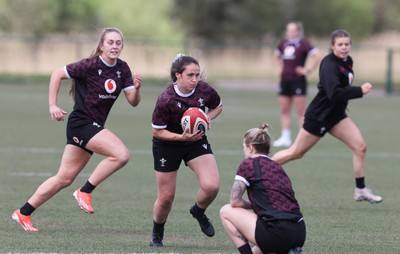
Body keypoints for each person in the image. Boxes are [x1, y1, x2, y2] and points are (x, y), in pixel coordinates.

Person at [11, 27, 142, 232]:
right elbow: (57, 74)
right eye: (110, 42)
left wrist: (137, 89)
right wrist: (52, 105)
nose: (114, 46)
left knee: (64, 178)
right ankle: (84, 191)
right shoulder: (89, 65)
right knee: (121, 154)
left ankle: (23, 212)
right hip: (82, 123)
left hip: (91, 126)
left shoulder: (123, 69)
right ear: (101, 45)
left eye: (118, 43)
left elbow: (133, 101)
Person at [272, 29, 382, 203]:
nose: (344, 47)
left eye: (347, 44)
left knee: (360, 147)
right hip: (319, 116)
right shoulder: (329, 64)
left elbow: (341, 90)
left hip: (337, 116)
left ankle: (360, 190)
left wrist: (344, 104)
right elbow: (334, 93)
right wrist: (360, 91)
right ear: (332, 46)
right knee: (295, 153)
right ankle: (258, 169)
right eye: (340, 44)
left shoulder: (348, 61)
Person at [149, 54, 223, 247]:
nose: (195, 79)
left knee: (212, 186)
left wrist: (205, 118)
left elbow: (217, 107)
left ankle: (198, 211)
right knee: (166, 198)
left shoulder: (204, 89)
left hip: (195, 141)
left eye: (197, 75)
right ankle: (157, 234)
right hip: (167, 144)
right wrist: (181, 137)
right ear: (177, 76)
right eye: (190, 75)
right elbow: (157, 131)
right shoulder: (166, 99)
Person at [220, 123, 305, 254]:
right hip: (298, 231)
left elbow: (235, 202)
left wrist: (253, 204)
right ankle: (288, 250)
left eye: (244, 147)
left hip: (275, 232)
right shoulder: (277, 166)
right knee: (260, 249)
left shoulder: (248, 164)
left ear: (251, 147)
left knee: (226, 211)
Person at [273, 21, 320, 147]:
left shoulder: (303, 43)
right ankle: (285, 137)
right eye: (288, 30)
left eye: (293, 30)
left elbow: (317, 55)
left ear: (298, 31)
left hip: (298, 81)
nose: (290, 33)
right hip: (285, 80)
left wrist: (307, 70)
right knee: (285, 110)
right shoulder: (283, 43)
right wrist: (279, 69)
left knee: (301, 111)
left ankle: (302, 139)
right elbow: (276, 56)